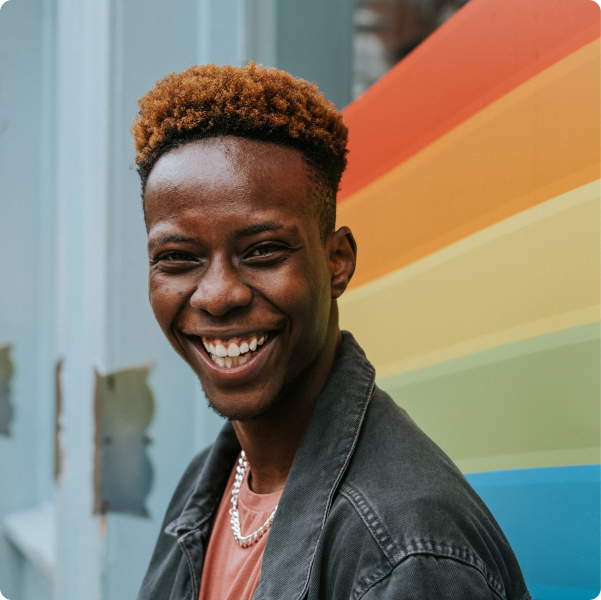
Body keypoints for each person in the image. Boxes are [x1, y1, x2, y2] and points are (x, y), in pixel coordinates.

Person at [133, 63, 531, 600]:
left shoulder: (406, 551)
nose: (219, 294)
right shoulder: (208, 482)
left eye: (263, 251)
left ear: (337, 261)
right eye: (178, 258)